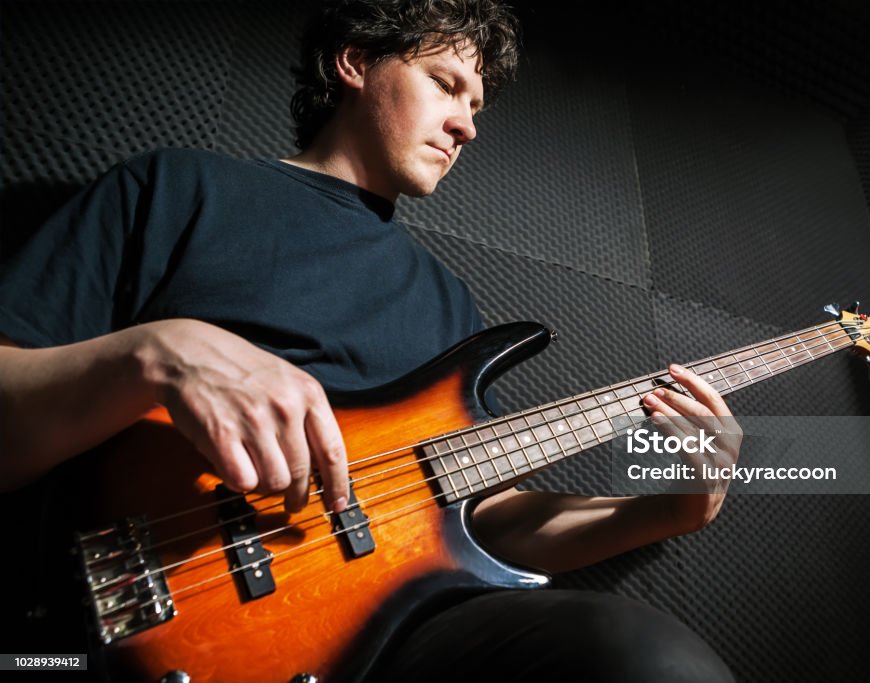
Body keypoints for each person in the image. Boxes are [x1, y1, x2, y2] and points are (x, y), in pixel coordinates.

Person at [0, 1, 739, 680]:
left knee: (649, 658)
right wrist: (156, 355)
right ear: (354, 63)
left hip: (378, 643)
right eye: (446, 84)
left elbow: (482, 518)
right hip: (96, 613)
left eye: (477, 105)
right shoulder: (177, 188)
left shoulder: (448, 304)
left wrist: (664, 510)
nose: (468, 125)